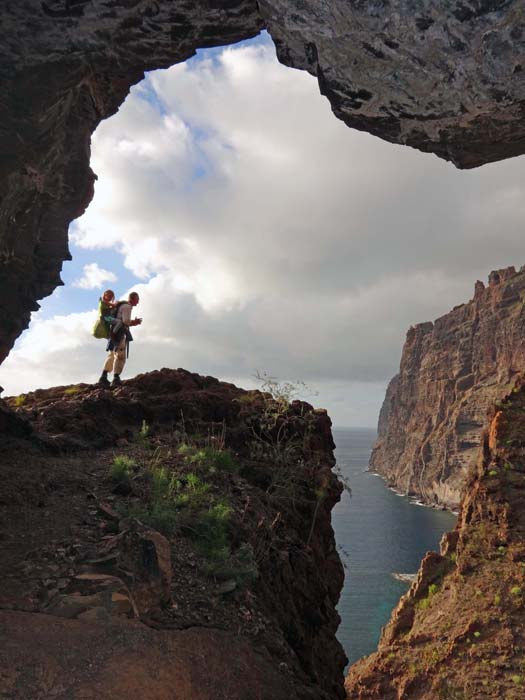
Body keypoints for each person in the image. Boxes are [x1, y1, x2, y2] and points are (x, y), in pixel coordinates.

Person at [98, 292, 142, 388]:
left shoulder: (120, 305)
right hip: (120, 333)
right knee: (120, 355)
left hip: (113, 332)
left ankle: (103, 376)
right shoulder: (127, 307)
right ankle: (116, 378)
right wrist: (135, 322)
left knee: (112, 354)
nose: (137, 303)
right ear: (133, 299)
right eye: (137, 300)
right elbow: (125, 321)